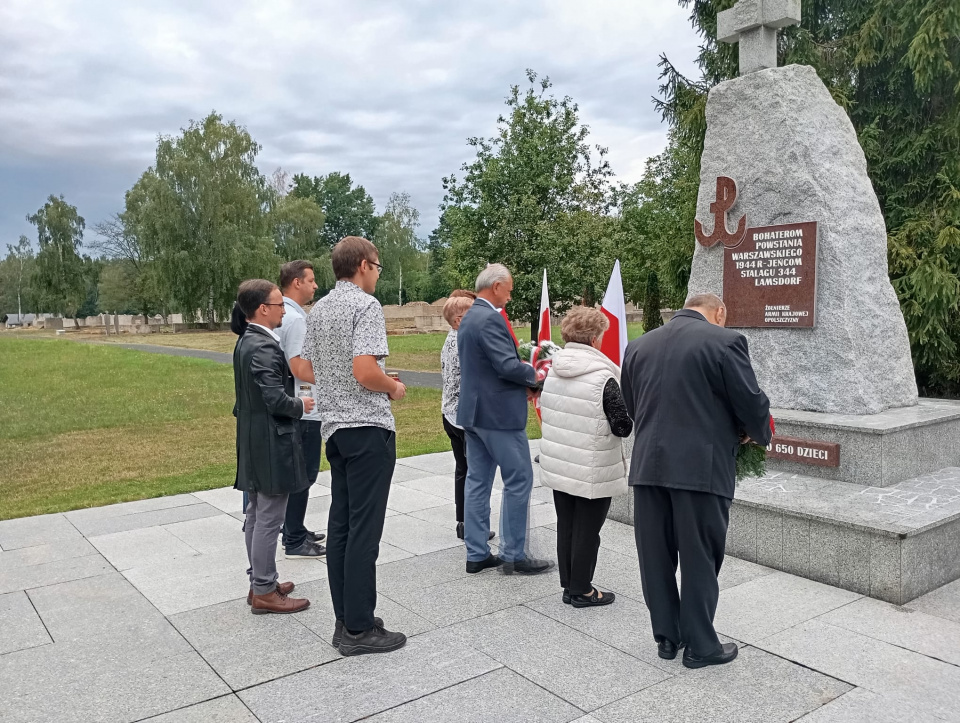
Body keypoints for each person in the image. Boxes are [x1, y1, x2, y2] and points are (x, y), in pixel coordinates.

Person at [621, 292, 771, 669]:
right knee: (700, 556)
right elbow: (750, 402)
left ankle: (667, 639)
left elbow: (632, 404)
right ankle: (701, 645)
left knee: (654, 557)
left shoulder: (639, 346)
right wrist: (754, 433)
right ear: (718, 312)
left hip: (649, 468)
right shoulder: (726, 341)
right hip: (700, 469)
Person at [301, 236, 407, 656]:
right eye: (378, 267)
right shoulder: (366, 306)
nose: (378, 274)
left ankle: (348, 616)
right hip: (367, 426)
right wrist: (393, 386)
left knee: (343, 528)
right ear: (363, 265)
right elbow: (365, 369)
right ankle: (360, 630)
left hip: (336, 430)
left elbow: (305, 366)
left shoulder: (321, 307)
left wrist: (337, 383)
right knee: (365, 530)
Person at [456, 263, 553, 576]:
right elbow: (507, 366)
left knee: (477, 482)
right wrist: (537, 375)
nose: (509, 297)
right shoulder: (488, 318)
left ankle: (477, 552)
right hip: (497, 416)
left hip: (474, 413)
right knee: (519, 479)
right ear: (496, 286)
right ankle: (513, 554)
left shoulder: (470, 316)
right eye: (508, 290)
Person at [539, 307, 632, 608]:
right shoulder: (604, 376)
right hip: (592, 465)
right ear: (594, 338)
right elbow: (621, 425)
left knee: (567, 525)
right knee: (588, 531)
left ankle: (569, 584)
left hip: (561, 459)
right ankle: (582, 589)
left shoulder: (554, 368)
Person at [231, 279, 313, 615]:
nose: (284, 310)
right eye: (280, 305)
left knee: (256, 513)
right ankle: (264, 589)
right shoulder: (262, 346)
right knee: (268, 517)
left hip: (255, 437)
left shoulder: (248, 340)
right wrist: (301, 405)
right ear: (263, 309)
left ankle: (261, 580)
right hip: (270, 441)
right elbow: (274, 399)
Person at [276, 260, 326, 560]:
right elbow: (299, 368)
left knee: (301, 471)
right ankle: (294, 538)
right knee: (303, 473)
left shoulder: (287, 314)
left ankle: (294, 526)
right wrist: (332, 378)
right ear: (296, 282)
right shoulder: (294, 320)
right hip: (304, 408)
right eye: (311, 280)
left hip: (296, 404)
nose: (315, 285)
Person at [441, 291, 495, 542]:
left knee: (463, 470)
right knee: (476, 472)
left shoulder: (451, 339)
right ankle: (474, 526)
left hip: (450, 413)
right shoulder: (464, 340)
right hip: (464, 416)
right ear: (459, 319)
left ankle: (463, 522)